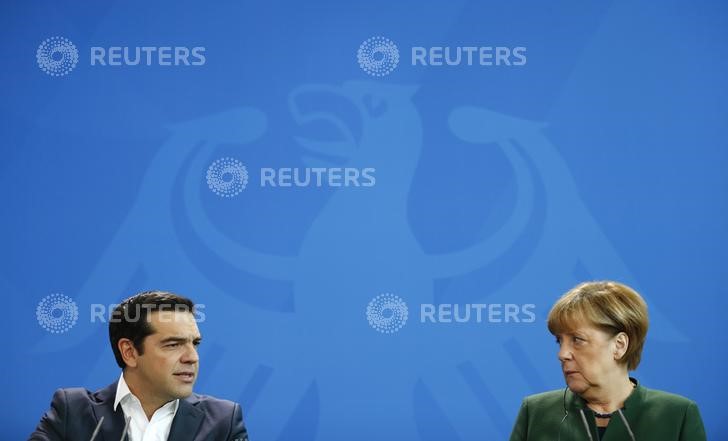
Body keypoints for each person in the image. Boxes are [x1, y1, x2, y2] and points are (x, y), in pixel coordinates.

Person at [29, 290, 249, 441]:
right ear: (129, 352)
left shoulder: (223, 420)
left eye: (195, 344)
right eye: (173, 344)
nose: (192, 357)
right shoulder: (73, 410)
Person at [509, 281, 705, 441]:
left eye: (577, 340)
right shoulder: (535, 412)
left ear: (619, 345)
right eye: (559, 341)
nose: (562, 354)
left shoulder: (678, 415)